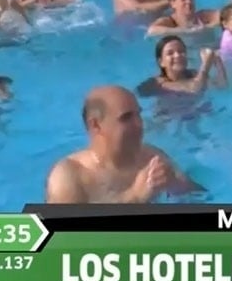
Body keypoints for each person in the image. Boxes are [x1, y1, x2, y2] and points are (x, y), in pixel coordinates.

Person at [45, 85, 203, 203]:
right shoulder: (70, 176)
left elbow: (200, 197)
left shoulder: (151, 157)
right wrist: (134, 197)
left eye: (138, 115)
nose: (140, 124)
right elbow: (62, 238)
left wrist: (174, 184)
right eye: (126, 118)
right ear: (96, 125)